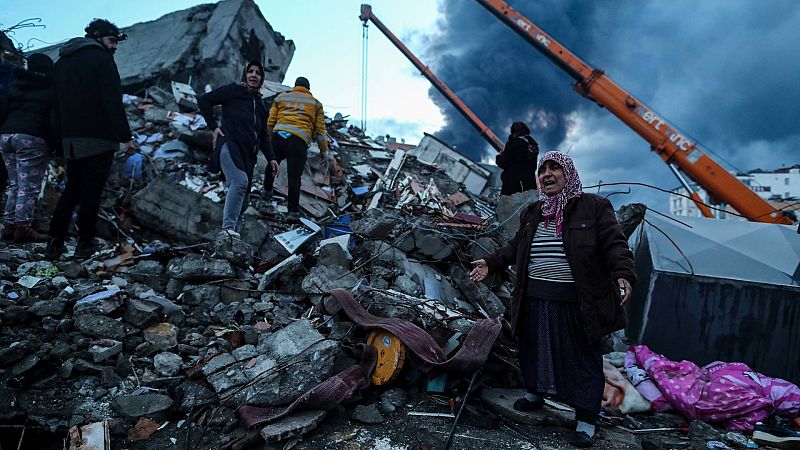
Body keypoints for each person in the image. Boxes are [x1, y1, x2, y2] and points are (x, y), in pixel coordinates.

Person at [469, 151, 635, 448]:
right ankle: (535, 393)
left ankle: (585, 418)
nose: (547, 174)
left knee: (581, 359)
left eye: (554, 168)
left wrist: (624, 273)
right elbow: (515, 246)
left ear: (568, 173)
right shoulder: (533, 211)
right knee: (534, 349)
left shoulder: (593, 208)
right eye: (542, 169)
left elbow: (615, 244)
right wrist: (491, 263)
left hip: (576, 302)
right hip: (534, 296)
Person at [45, 19, 134, 260]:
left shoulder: (61, 63)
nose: (114, 47)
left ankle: (54, 243)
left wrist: (58, 140)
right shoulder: (102, 60)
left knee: (72, 189)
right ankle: (84, 244)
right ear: (97, 37)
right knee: (92, 192)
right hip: (98, 137)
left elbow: (54, 104)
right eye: (112, 41)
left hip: (70, 139)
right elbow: (112, 101)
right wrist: (125, 137)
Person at [198, 60, 277, 237]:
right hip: (229, 145)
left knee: (244, 201)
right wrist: (213, 127)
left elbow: (263, 134)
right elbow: (204, 101)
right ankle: (228, 231)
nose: (254, 75)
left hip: (248, 155)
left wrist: (271, 157)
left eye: (258, 73)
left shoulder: (262, 105)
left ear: (261, 79)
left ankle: (234, 239)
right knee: (240, 182)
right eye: (251, 72)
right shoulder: (233, 91)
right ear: (245, 75)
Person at [0, 53, 55, 242]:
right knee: (29, 187)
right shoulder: (49, 86)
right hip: (31, 136)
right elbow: (54, 117)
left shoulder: (16, 83)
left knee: (15, 185)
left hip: (7, 135)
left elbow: (4, 108)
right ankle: (22, 228)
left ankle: (8, 226)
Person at [264, 76, 328, 220]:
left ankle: (265, 199)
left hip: (278, 136)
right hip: (298, 140)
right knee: (294, 177)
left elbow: (270, 121)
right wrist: (323, 150)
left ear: (295, 86)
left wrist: (268, 139)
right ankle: (292, 212)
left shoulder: (281, 98)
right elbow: (320, 130)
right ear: (308, 89)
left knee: (271, 167)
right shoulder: (315, 103)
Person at [496, 121, 539, 196]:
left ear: (513, 132)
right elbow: (534, 167)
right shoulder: (533, 147)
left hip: (512, 188)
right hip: (529, 188)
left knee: (508, 207)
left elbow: (503, 163)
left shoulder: (513, 143)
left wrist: (499, 156)